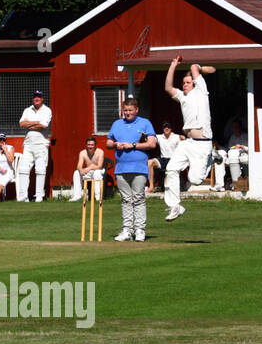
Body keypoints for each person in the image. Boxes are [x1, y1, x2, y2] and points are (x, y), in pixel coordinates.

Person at [163, 56, 218, 222]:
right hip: (188, 143)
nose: (184, 85)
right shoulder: (182, 96)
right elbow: (168, 87)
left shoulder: (201, 91)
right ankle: (175, 206)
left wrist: (200, 69)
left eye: (187, 82)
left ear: (195, 82)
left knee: (195, 179)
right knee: (171, 169)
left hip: (203, 144)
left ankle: (213, 157)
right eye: (183, 83)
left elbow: (194, 67)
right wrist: (173, 64)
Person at [106, 96, 156, 241]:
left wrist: (133, 145)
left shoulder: (145, 123)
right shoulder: (117, 124)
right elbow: (109, 142)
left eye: (130, 110)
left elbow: (152, 144)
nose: (127, 113)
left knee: (138, 198)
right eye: (125, 110)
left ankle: (140, 229)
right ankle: (127, 230)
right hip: (121, 168)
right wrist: (116, 145)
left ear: (136, 110)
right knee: (126, 199)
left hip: (139, 168)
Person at [16, 89, 52, 202]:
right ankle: (23, 196)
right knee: (23, 169)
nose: (36, 99)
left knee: (40, 169)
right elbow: (21, 123)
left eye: (39, 97)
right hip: (28, 144)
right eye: (35, 97)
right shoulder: (27, 110)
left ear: (42, 98)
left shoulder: (47, 110)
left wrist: (29, 124)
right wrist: (35, 122)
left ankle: (39, 196)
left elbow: (44, 125)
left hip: (41, 144)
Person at [148, 122, 183, 193]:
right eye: (164, 127)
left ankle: (174, 187)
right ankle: (151, 186)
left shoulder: (176, 137)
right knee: (150, 162)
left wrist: (183, 138)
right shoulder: (159, 137)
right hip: (163, 159)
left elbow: (184, 142)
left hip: (173, 160)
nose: (166, 128)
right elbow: (150, 139)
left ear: (171, 129)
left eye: (168, 127)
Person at [215, 119, 249, 189]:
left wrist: (241, 146)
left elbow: (251, 149)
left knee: (236, 156)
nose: (235, 129)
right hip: (232, 156)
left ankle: (236, 183)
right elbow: (229, 149)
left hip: (244, 157)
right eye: (234, 127)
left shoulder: (246, 136)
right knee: (220, 156)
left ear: (240, 127)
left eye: (237, 127)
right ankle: (219, 185)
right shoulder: (233, 137)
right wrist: (218, 146)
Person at [70, 136, 105, 203]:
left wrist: (90, 167)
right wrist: (81, 170)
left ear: (95, 145)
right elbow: (79, 166)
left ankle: (98, 197)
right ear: (86, 145)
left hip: (98, 171)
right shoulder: (82, 153)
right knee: (76, 172)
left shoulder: (100, 152)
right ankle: (77, 196)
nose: (90, 146)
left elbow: (100, 166)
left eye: (92, 145)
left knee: (97, 173)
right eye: (89, 145)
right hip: (88, 172)